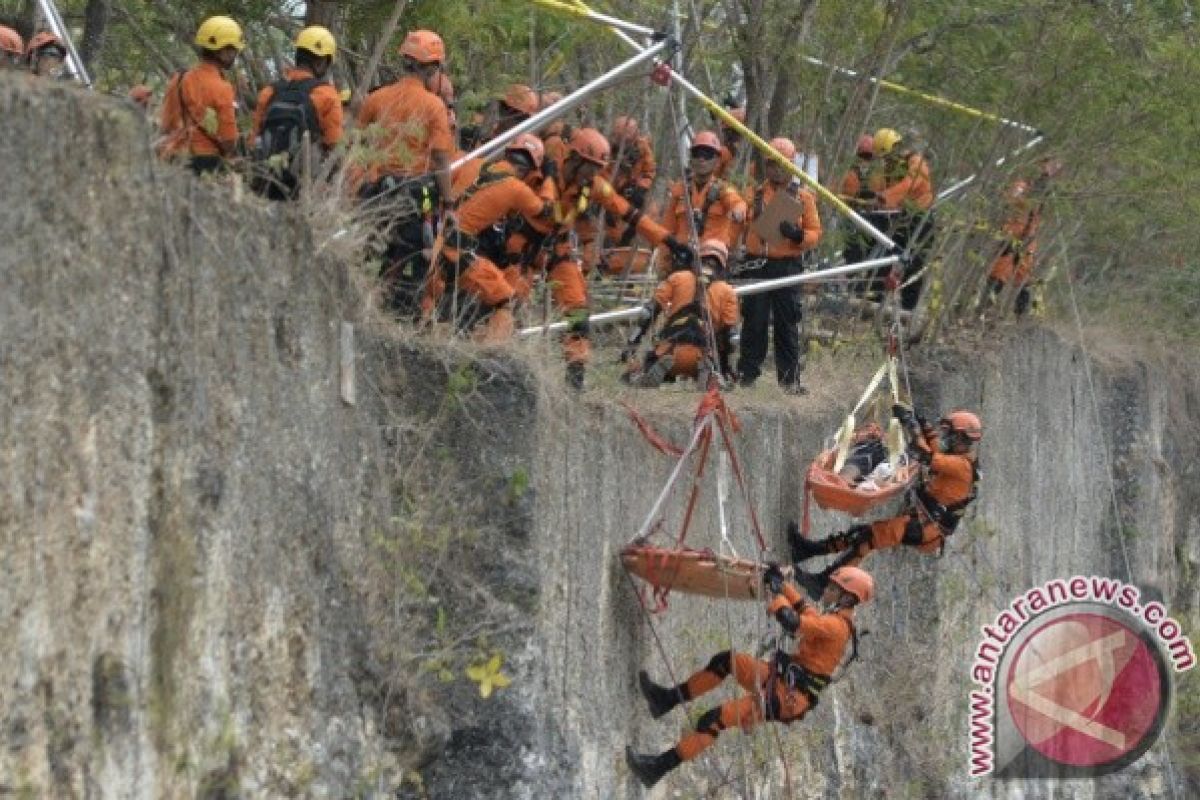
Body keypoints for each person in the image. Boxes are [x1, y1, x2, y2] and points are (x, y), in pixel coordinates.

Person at [626, 564, 873, 788]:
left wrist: (775, 595)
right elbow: (805, 611)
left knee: (713, 720)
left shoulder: (837, 627)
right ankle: (666, 700)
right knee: (727, 661)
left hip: (787, 697)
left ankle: (656, 768)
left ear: (847, 597)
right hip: (783, 681)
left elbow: (793, 622)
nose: (826, 590)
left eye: (832, 588)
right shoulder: (836, 619)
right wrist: (782, 584)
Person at [536, 127, 692, 389]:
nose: (592, 174)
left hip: (556, 252)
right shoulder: (544, 178)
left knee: (578, 312)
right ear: (573, 159)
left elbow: (629, 213)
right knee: (505, 301)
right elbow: (547, 212)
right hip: (523, 251)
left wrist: (669, 241)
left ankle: (575, 378)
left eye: (597, 168)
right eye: (589, 167)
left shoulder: (593, 186)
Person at [790, 405, 981, 593]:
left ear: (960, 439)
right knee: (862, 534)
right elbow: (934, 450)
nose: (944, 438)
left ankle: (822, 582)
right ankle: (809, 550)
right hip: (924, 521)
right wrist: (921, 423)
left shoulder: (962, 466)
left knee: (869, 539)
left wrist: (913, 426)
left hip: (927, 527)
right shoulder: (959, 459)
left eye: (948, 434)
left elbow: (924, 455)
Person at [355, 29, 453, 316]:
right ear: (432, 67)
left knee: (374, 258)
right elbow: (440, 159)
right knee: (411, 265)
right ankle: (400, 325)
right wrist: (448, 203)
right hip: (415, 194)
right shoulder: (433, 106)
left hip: (376, 192)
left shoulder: (375, 99)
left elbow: (357, 147)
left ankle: (367, 316)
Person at [428, 134, 554, 341]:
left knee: (439, 305)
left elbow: (440, 179)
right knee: (507, 300)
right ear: (529, 171)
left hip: (433, 242)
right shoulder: (517, 189)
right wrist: (549, 179)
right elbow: (546, 214)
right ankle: (493, 358)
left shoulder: (473, 163)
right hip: (456, 251)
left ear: (507, 154)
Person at [737, 137, 821, 393]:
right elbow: (739, 217)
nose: (777, 170)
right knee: (754, 323)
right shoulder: (753, 194)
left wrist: (798, 236)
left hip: (787, 266)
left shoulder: (804, 197)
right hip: (757, 266)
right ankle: (746, 377)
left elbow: (815, 232)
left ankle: (789, 381)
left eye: (782, 164)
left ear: (792, 164)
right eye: (772, 164)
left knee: (787, 324)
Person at [622, 239, 739, 387]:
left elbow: (648, 312)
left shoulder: (678, 277)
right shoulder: (727, 291)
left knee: (634, 374)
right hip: (704, 354)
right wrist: (729, 368)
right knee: (724, 344)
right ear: (723, 263)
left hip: (670, 350)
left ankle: (648, 370)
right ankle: (715, 374)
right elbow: (732, 337)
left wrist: (631, 345)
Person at [250, 26, 343, 200]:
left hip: (267, 181)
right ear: (320, 62)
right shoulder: (327, 95)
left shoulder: (269, 92)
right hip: (304, 185)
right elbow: (334, 147)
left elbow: (254, 140)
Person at [158, 16, 243, 175]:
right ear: (222, 51)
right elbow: (229, 139)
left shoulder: (178, 79)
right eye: (233, 50)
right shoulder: (222, 88)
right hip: (206, 164)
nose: (235, 54)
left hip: (173, 160)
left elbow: (166, 126)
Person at [869, 127, 934, 310]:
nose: (887, 161)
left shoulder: (916, 162)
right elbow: (879, 184)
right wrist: (874, 196)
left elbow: (910, 184)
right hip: (896, 217)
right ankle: (873, 301)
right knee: (884, 257)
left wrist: (885, 196)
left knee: (914, 263)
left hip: (919, 219)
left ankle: (908, 309)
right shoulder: (888, 167)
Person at [658, 131, 746, 264]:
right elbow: (667, 229)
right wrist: (664, 260)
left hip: (712, 260)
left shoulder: (723, 189)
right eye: (697, 154)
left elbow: (738, 203)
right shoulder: (679, 190)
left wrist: (738, 212)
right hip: (682, 256)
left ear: (716, 160)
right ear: (691, 158)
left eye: (707, 155)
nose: (701, 159)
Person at [986, 159, 1059, 315]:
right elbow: (1013, 200)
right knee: (999, 273)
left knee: (1025, 278)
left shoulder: (1045, 190)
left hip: (1029, 237)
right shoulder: (1020, 185)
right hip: (1010, 235)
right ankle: (984, 311)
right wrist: (1033, 194)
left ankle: (1021, 316)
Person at [603, 115, 657, 249]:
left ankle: (634, 243)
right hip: (613, 192)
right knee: (610, 220)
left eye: (627, 141)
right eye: (622, 141)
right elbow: (603, 174)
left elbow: (649, 170)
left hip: (635, 190)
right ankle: (612, 247)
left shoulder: (642, 147)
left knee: (648, 213)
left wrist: (641, 188)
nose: (624, 145)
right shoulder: (607, 149)